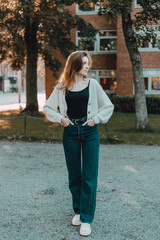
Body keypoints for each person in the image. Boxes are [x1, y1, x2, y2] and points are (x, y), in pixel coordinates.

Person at [43, 51, 114, 236]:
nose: (87, 66)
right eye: (83, 63)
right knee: (74, 175)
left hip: (90, 131)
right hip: (71, 132)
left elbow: (108, 106)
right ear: (74, 65)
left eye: (87, 63)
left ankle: (87, 218)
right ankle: (77, 210)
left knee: (89, 176)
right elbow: (48, 107)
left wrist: (95, 120)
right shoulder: (62, 87)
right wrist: (61, 119)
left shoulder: (93, 84)